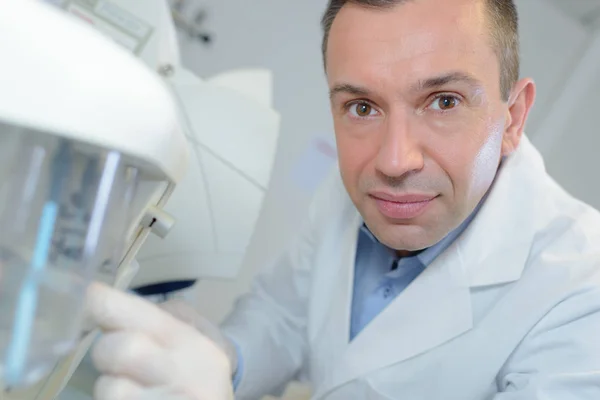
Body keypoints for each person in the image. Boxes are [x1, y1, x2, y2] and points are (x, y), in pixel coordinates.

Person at [87, 0, 600, 398]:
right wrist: (222, 357)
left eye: (444, 101)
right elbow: (285, 315)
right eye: (362, 106)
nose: (394, 161)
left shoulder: (581, 292)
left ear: (512, 118)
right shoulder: (348, 187)